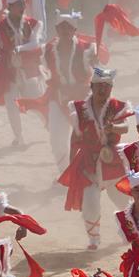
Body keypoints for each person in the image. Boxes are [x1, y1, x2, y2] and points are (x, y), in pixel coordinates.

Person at [60, 67, 133, 250]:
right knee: (90, 202)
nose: (103, 90)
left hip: (113, 161)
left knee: (123, 200)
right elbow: (74, 138)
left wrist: (113, 129)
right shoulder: (79, 109)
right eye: (99, 86)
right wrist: (71, 163)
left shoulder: (118, 106)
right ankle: (94, 239)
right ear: (91, 86)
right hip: (88, 163)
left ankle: (128, 232)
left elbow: (125, 127)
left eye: (107, 86)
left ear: (111, 88)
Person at [0, 0, 45, 148]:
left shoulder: (33, 24)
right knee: (11, 103)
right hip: (8, 70)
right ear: (10, 6)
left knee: (36, 100)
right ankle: (19, 136)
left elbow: (35, 43)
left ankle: (48, 125)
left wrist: (19, 48)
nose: (22, 7)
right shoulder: (0, 27)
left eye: (23, 3)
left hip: (29, 68)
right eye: (18, 4)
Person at [45, 10, 97, 171]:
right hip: (58, 99)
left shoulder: (88, 48)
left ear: (75, 30)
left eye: (69, 28)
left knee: (86, 138)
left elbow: (100, 70)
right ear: (57, 30)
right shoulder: (48, 50)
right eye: (62, 28)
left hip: (82, 100)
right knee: (56, 138)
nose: (65, 31)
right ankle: (64, 173)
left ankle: (83, 171)